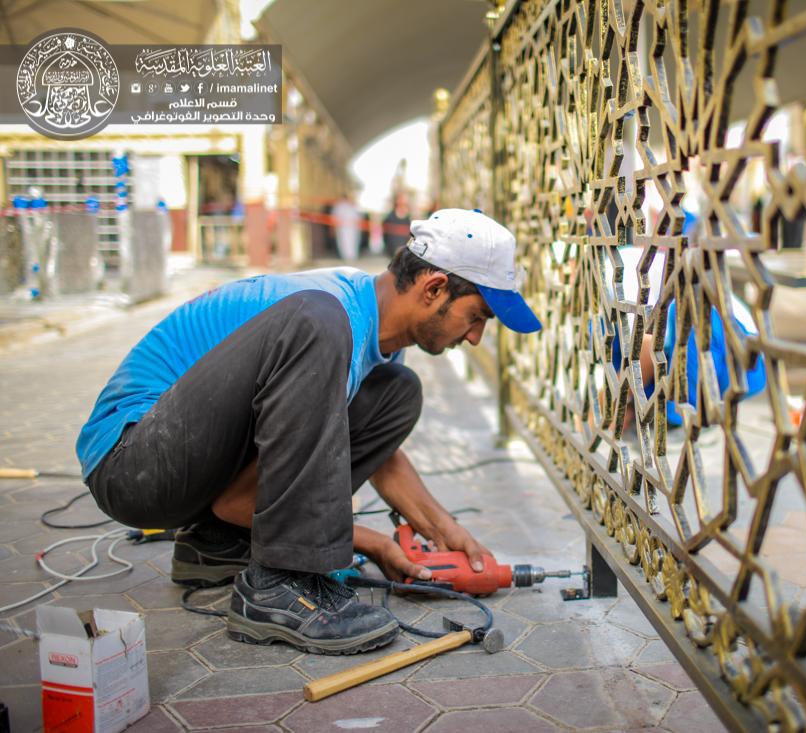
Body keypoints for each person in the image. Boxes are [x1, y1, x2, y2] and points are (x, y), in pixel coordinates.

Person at [75, 209, 541, 655]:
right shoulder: (328, 315)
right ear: (434, 288)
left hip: (188, 464)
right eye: (477, 316)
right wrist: (372, 542)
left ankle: (214, 544)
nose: (476, 336)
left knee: (397, 391)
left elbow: (382, 459)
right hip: (133, 460)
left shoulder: (372, 332)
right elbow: (239, 500)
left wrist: (446, 531)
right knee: (319, 324)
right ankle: (277, 586)